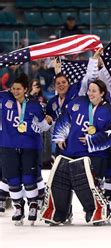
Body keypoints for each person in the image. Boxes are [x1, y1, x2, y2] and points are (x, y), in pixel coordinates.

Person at [45, 79, 111, 225]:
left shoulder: (109, 110)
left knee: (88, 184)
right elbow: (64, 118)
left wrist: (93, 140)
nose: (90, 93)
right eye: (89, 90)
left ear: (102, 93)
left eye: (94, 91)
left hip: (94, 154)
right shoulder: (78, 102)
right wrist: (59, 136)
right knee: (61, 182)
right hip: (71, 151)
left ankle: (95, 211)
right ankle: (61, 212)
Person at [0, 74, 52, 225]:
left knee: (29, 178)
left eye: (18, 89)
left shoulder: (34, 105)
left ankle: (33, 205)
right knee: (13, 180)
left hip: (30, 146)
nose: (15, 91)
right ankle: (18, 207)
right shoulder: (4, 99)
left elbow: (43, 127)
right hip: (8, 145)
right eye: (13, 88)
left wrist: (49, 122)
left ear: (25, 90)